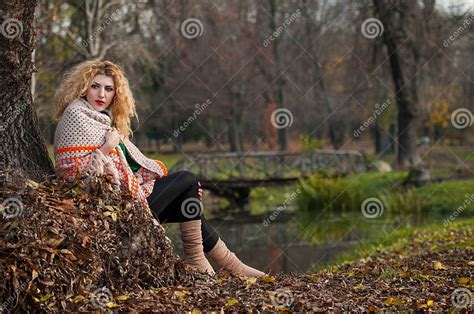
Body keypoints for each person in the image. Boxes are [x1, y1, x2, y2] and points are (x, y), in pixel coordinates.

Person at [53, 60, 265, 278]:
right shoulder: (76, 116)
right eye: (95, 86)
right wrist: (107, 147)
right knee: (188, 179)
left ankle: (230, 265)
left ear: (115, 93)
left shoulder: (102, 120)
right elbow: (72, 175)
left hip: (122, 202)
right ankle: (210, 262)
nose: (101, 94)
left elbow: (124, 170)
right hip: (107, 213)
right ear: (84, 86)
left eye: (108, 89)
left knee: (188, 203)